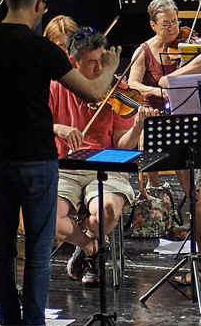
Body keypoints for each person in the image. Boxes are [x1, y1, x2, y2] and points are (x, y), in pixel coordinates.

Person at [0, 0, 120, 326]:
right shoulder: (41, 49)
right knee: (37, 250)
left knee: (4, 249)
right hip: (36, 158)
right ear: (38, 3)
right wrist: (111, 67)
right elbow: (92, 92)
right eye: (44, 5)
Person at [50, 28, 142, 286]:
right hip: (65, 166)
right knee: (47, 216)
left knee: (106, 210)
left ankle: (89, 247)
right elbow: (34, 124)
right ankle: (90, 248)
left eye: (103, 61)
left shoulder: (118, 90)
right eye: (91, 62)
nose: (100, 69)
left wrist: (138, 127)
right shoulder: (55, 86)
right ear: (73, 62)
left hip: (106, 165)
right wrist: (58, 128)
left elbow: (122, 145)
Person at [126, 0, 191, 108]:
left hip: (184, 108)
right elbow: (132, 84)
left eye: (174, 22)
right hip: (153, 111)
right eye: (165, 24)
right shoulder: (143, 52)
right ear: (153, 25)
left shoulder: (188, 45)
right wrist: (156, 91)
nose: (171, 28)